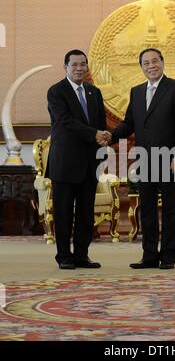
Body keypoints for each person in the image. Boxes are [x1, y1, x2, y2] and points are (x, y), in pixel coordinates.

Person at [103, 48, 175, 269]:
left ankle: (169, 256)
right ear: (141, 67)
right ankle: (149, 256)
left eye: (155, 61)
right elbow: (129, 123)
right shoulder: (137, 91)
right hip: (145, 160)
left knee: (172, 210)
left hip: (171, 160)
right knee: (148, 209)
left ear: (163, 62)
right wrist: (110, 136)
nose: (151, 66)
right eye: (146, 63)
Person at [46, 49, 107, 269]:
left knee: (85, 213)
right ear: (66, 67)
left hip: (90, 164)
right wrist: (94, 134)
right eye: (74, 65)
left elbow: (100, 122)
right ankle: (64, 256)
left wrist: (104, 136)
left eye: (83, 65)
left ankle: (82, 255)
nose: (79, 68)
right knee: (63, 212)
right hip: (65, 162)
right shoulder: (56, 92)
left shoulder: (94, 92)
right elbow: (65, 121)